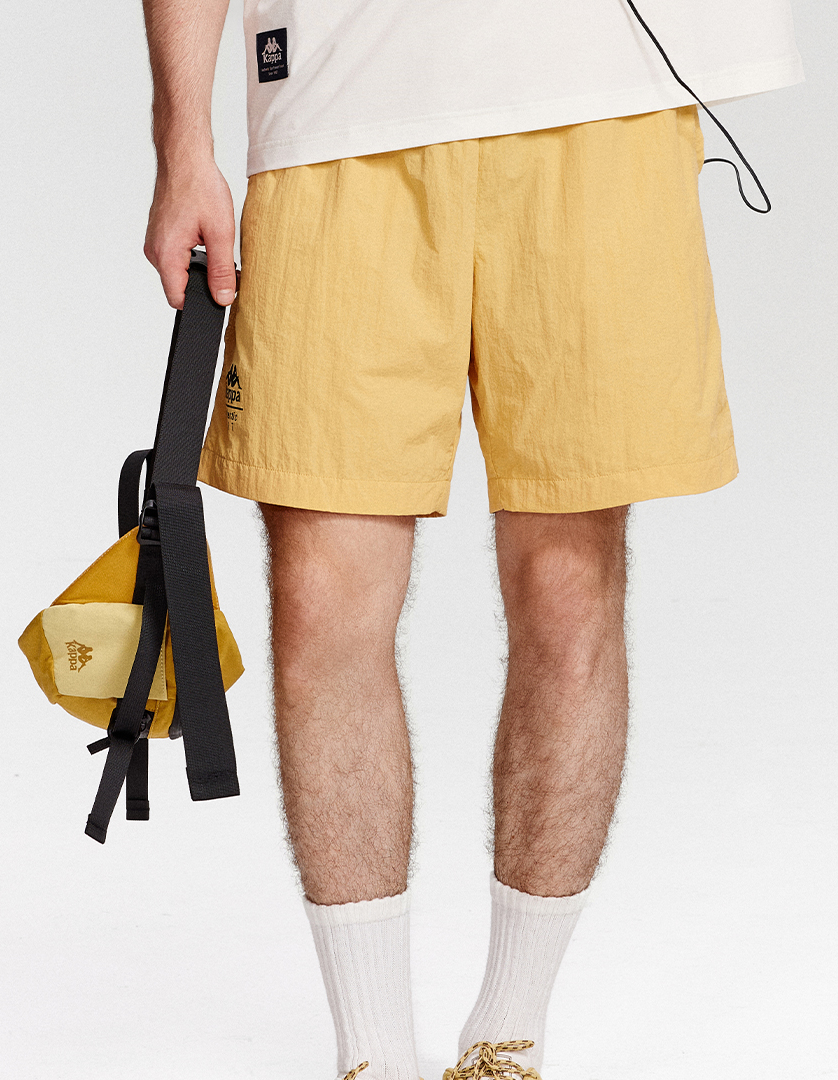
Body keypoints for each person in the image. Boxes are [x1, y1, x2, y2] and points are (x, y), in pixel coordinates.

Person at [140, 1, 801, 1076]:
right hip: (337, 112)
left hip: (598, 107)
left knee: (569, 591)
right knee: (321, 602)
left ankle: (509, 1034)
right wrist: (183, 142)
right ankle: (373, 1053)